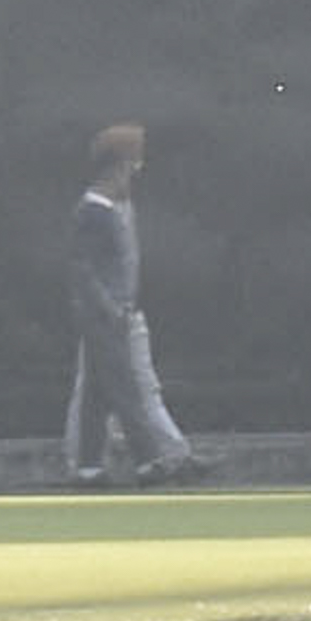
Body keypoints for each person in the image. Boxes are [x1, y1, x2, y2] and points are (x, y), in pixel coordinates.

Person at [66, 125, 209, 486]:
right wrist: (110, 308)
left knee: (98, 392)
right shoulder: (95, 213)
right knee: (125, 387)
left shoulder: (114, 208)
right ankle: (149, 460)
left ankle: (87, 466)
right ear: (119, 166)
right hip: (108, 316)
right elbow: (83, 269)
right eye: (133, 164)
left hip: (114, 312)